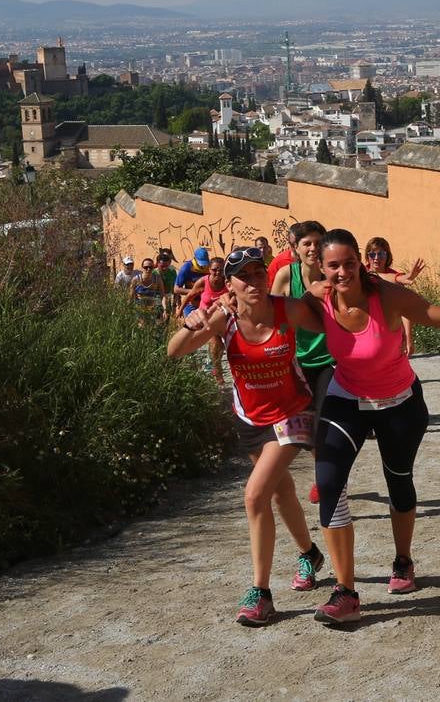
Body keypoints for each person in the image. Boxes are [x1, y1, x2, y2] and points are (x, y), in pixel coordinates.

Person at [307, 228, 440, 625]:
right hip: (346, 398)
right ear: (322, 267)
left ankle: (403, 560)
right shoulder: (319, 298)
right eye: (334, 266)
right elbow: (274, 311)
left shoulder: (388, 296)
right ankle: (346, 592)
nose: (343, 272)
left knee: (398, 480)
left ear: (360, 262)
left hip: (399, 403)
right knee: (329, 482)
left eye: (349, 263)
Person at [167, 247, 329, 627]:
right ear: (230, 284)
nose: (254, 281)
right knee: (280, 491)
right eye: (244, 276)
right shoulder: (223, 318)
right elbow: (174, 352)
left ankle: (261, 594)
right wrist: (191, 322)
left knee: (255, 495)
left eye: (259, 273)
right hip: (251, 419)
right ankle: (310, 553)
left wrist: (325, 293)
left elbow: (333, 324)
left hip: (293, 413)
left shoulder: (285, 309)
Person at [272, 221, 334, 505]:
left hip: (330, 360)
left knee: (322, 423)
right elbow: (274, 316)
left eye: (318, 243)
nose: (312, 248)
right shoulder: (287, 275)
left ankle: (325, 479)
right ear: (294, 248)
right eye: (306, 243)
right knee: (305, 427)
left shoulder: (331, 273)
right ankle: (326, 471)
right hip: (297, 362)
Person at [363, 236, 427, 355]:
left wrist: (408, 338)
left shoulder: (395, 277)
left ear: (387, 256)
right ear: (367, 257)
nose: (376, 258)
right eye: (372, 254)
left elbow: (404, 310)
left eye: (381, 254)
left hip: (390, 332)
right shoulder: (361, 274)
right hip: (366, 332)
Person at [187, 256, 228, 383]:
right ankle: (218, 374)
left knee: (221, 347)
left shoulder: (227, 282)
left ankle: (212, 364)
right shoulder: (203, 281)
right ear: (209, 269)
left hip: (224, 318)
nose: (217, 273)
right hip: (207, 319)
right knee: (216, 343)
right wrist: (179, 310)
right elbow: (190, 295)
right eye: (214, 270)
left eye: (220, 270)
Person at [176, 247, 211, 316]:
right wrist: (195, 291)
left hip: (206, 305)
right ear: (195, 259)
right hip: (191, 305)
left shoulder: (211, 267)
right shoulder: (186, 268)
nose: (203, 266)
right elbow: (176, 289)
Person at [156, 249, 178, 320]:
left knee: (166, 322)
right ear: (158, 263)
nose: (164, 268)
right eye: (162, 266)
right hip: (155, 302)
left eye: (166, 265)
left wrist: (174, 304)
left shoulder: (172, 272)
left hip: (168, 301)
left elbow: (175, 288)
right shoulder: (153, 273)